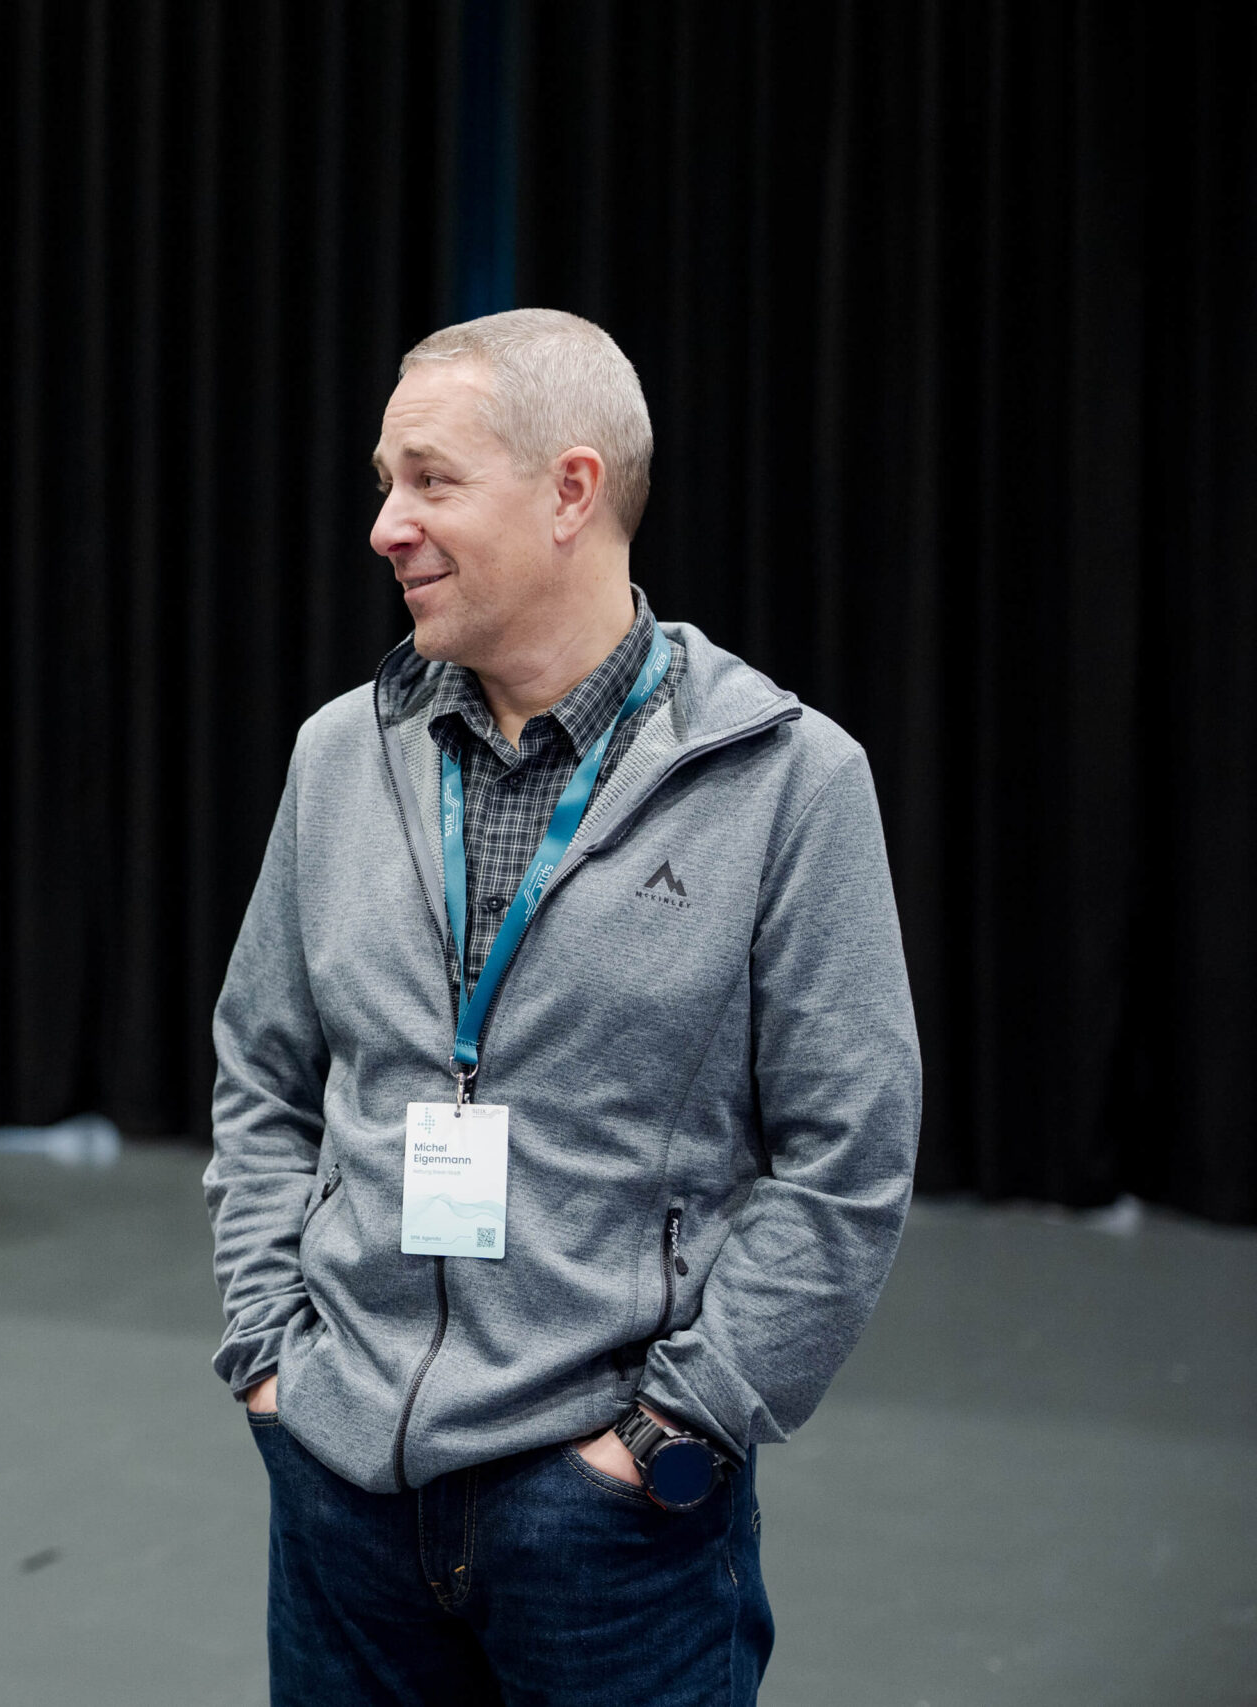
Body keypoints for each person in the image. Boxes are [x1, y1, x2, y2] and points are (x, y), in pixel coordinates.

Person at [204, 308, 919, 1706]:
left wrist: (671, 1434)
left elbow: (848, 1161)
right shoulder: (339, 755)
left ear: (571, 492)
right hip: (339, 1491)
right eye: (384, 482)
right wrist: (270, 1359)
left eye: (430, 480)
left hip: (612, 1526)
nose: (386, 526)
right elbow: (263, 1068)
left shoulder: (788, 781)